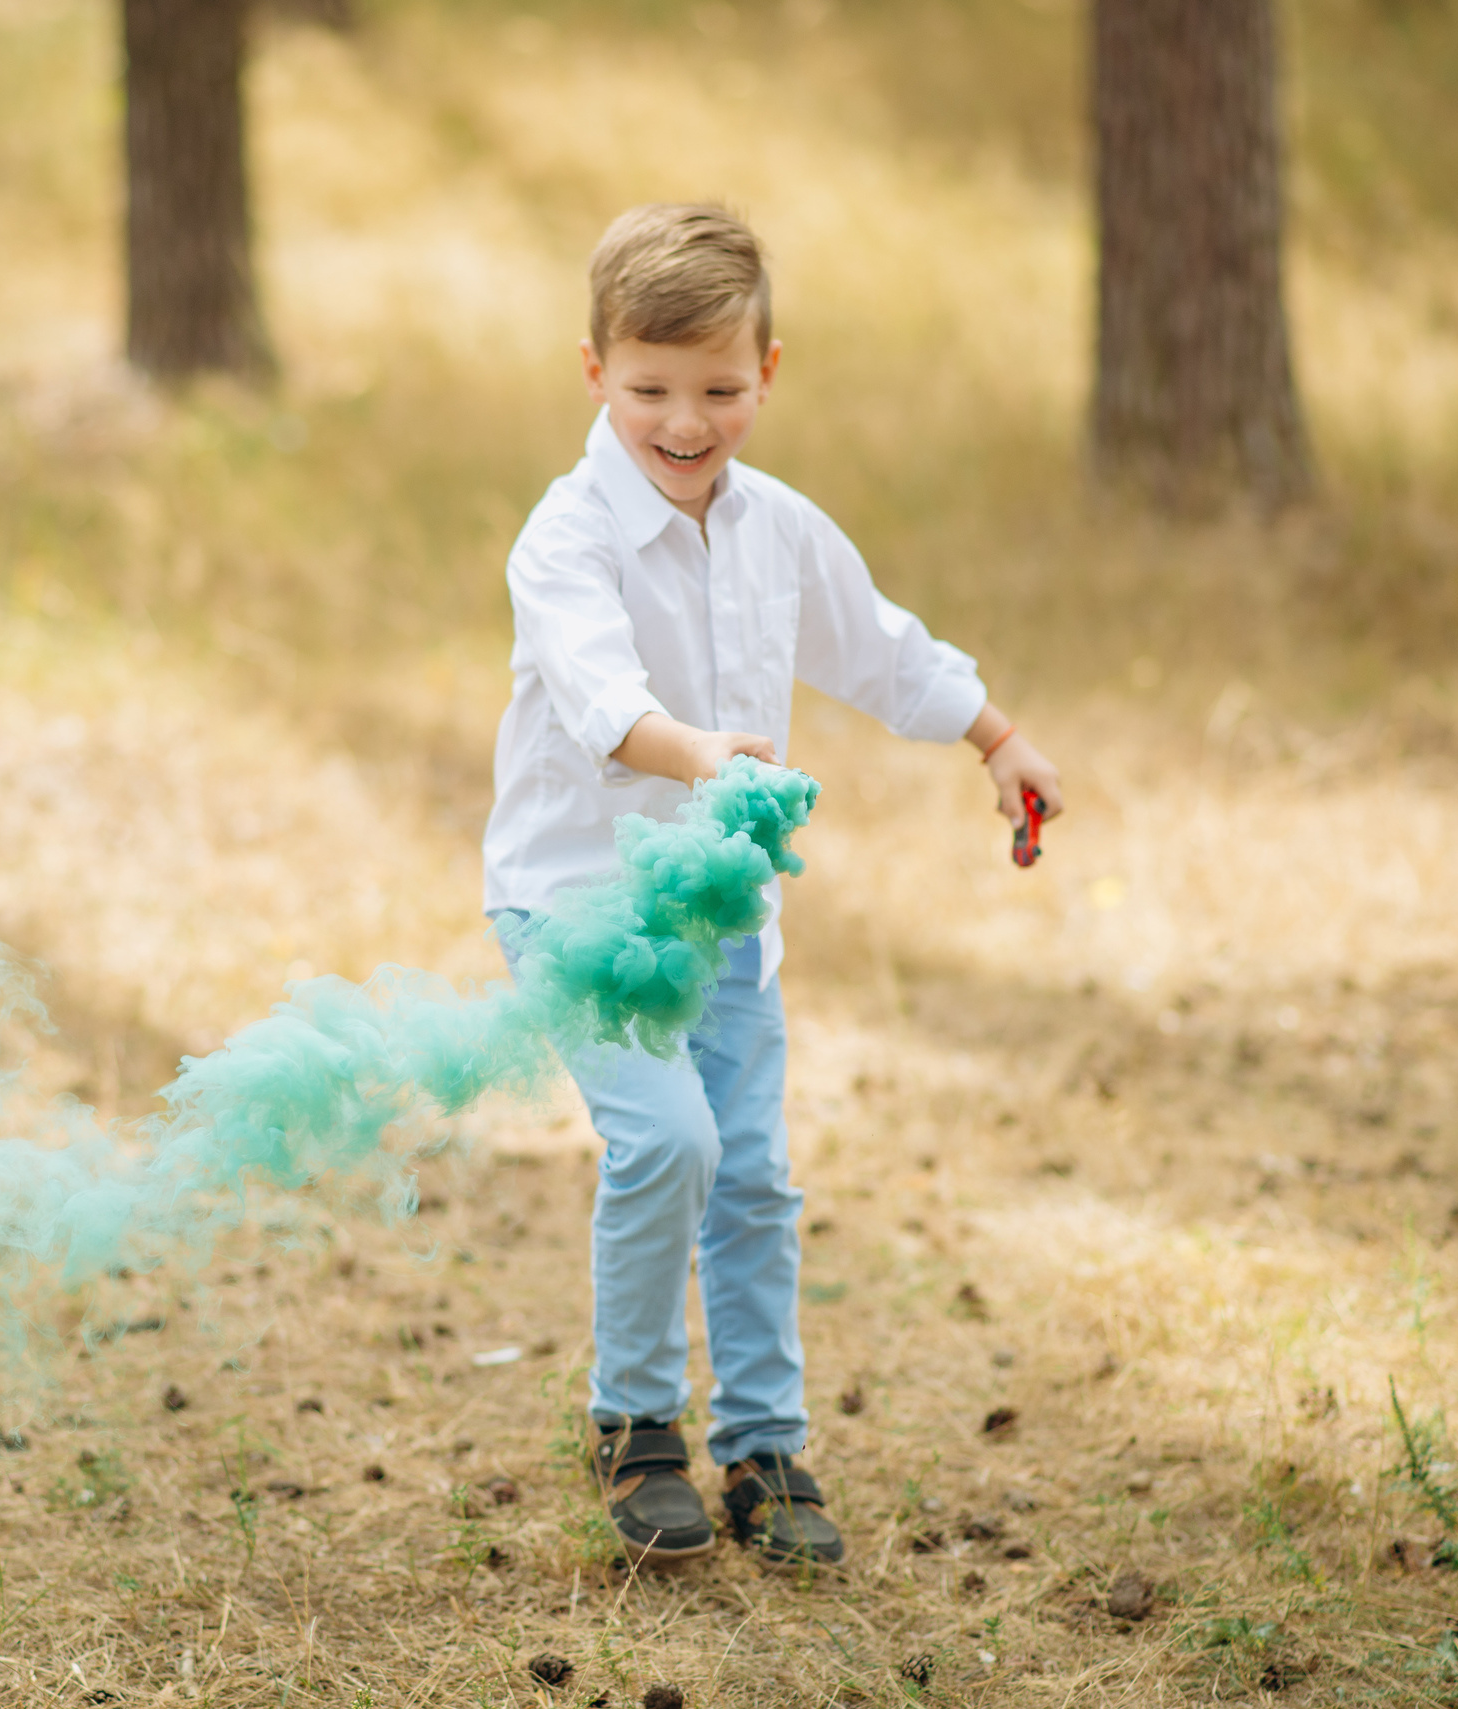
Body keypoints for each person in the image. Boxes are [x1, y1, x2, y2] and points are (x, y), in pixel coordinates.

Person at [482, 204, 1064, 1567]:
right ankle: (632, 1426)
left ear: (767, 374)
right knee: (669, 1143)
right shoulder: (564, 540)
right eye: (651, 391)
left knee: (748, 1172)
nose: (686, 422)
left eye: (720, 390)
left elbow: (881, 650)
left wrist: (996, 738)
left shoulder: (780, 530)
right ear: (594, 374)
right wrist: (699, 753)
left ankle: (763, 1443)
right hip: (582, 908)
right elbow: (600, 697)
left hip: (725, 916)